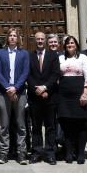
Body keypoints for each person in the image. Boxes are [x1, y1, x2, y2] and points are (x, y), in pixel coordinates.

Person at [0, 29, 29, 165]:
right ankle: (4, 153)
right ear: (7, 38)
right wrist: (7, 87)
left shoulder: (24, 53)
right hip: (3, 92)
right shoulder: (0, 53)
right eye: (10, 35)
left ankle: (21, 153)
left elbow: (25, 72)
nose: (13, 38)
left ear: (18, 38)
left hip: (19, 92)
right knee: (4, 124)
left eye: (15, 36)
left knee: (21, 124)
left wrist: (15, 87)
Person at [57, 36, 87, 164]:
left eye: (72, 43)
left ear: (76, 45)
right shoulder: (60, 58)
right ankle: (69, 153)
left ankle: (81, 153)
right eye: (67, 43)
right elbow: (57, 75)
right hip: (64, 95)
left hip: (79, 94)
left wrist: (85, 93)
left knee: (80, 124)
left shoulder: (83, 58)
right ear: (64, 46)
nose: (70, 45)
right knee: (67, 125)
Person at [28, 31, 59, 164]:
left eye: (42, 39)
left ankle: (50, 152)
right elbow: (27, 75)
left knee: (50, 125)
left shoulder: (53, 55)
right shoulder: (29, 56)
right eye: (38, 39)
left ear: (45, 40)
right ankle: (36, 151)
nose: (40, 41)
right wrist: (37, 89)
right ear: (34, 41)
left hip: (50, 96)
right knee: (35, 126)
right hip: (35, 96)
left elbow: (55, 74)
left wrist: (45, 88)